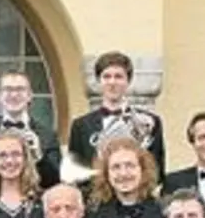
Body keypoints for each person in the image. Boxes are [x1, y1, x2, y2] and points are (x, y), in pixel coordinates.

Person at [65, 50, 166, 178]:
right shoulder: (80, 125)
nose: (112, 82)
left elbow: (157, 169)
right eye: (106, 76)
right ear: (98, 81)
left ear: (128, 81)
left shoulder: (149, 122)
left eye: (118, 77)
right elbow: (76, 172)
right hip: (95, 195)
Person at [0, 70, 61, 188]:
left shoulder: (48, 136)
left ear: (29, 96)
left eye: (20, 89)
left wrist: (39, 156)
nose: (14, 95)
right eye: (8, 89)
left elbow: (56, 181)